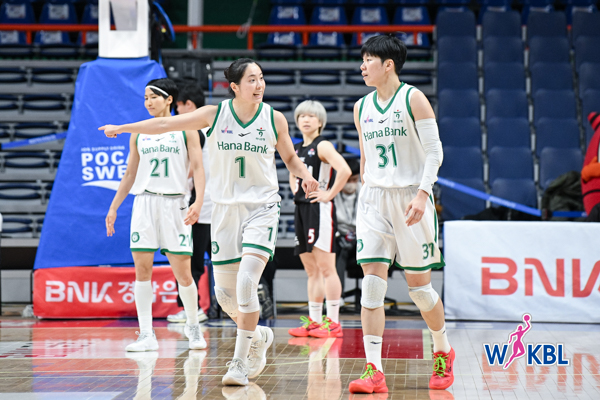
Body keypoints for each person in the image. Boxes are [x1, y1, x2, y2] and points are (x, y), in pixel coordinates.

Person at [100, 58, 319, 386]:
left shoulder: (273, 118)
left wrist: (304, 175)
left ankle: (240, 362)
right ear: (234, 87)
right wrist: (123, 128)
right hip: (224, 211)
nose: (259, 85)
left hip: (261, 208)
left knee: (246, 283)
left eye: (261, 78)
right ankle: (257, 334)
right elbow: (164, 124)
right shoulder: (214, 115)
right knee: (224, 295)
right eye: (251, 80)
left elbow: (289, 157)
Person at [347, 35, 453, 394]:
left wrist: (423, 194)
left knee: (419, 290)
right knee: (372, 286)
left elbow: (435, 152)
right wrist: (367, 189)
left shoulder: (413, 98)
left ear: (388, 64)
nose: (362, 66)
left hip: (411, 198)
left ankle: (442, 348)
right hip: (374, 200)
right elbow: (365, 157)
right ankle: (373, 370)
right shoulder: (360, 107)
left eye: (368, 60)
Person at [105, 78, 207, 352]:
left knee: (183, 273)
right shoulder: (139, 132)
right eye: (145, 98)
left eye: (153, 97)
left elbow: (199, 168)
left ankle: (193, 326)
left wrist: (198, 201)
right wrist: (114, 206)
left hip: (175, 204)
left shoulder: (187, 129)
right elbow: (130, 173)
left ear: (169, 100)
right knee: (142, 271)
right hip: (145, 203)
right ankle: (146, 334)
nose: (148, 102)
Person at [288, 100, 351, 339]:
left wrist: (329, 194)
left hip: (320, 210)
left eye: (311, 116)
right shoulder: (296, 148)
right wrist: (295, 189)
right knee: (311, 270)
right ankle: (314, 322)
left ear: (320, 121)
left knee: (326, 268)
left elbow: (344, 170)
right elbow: (293, 175)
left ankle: (333, 322)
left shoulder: (322, 145)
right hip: (301, 208)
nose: (306, 119)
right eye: (302, 115)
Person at [167, 84, 212, 324]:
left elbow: (190, 170)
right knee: (221, 261)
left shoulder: (192, 133)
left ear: (189, 105)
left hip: (198, 207)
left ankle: (191, 309)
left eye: (178, 107)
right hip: (216, 205)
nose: (176, 112)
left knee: (190, 261)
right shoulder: (215, 129)